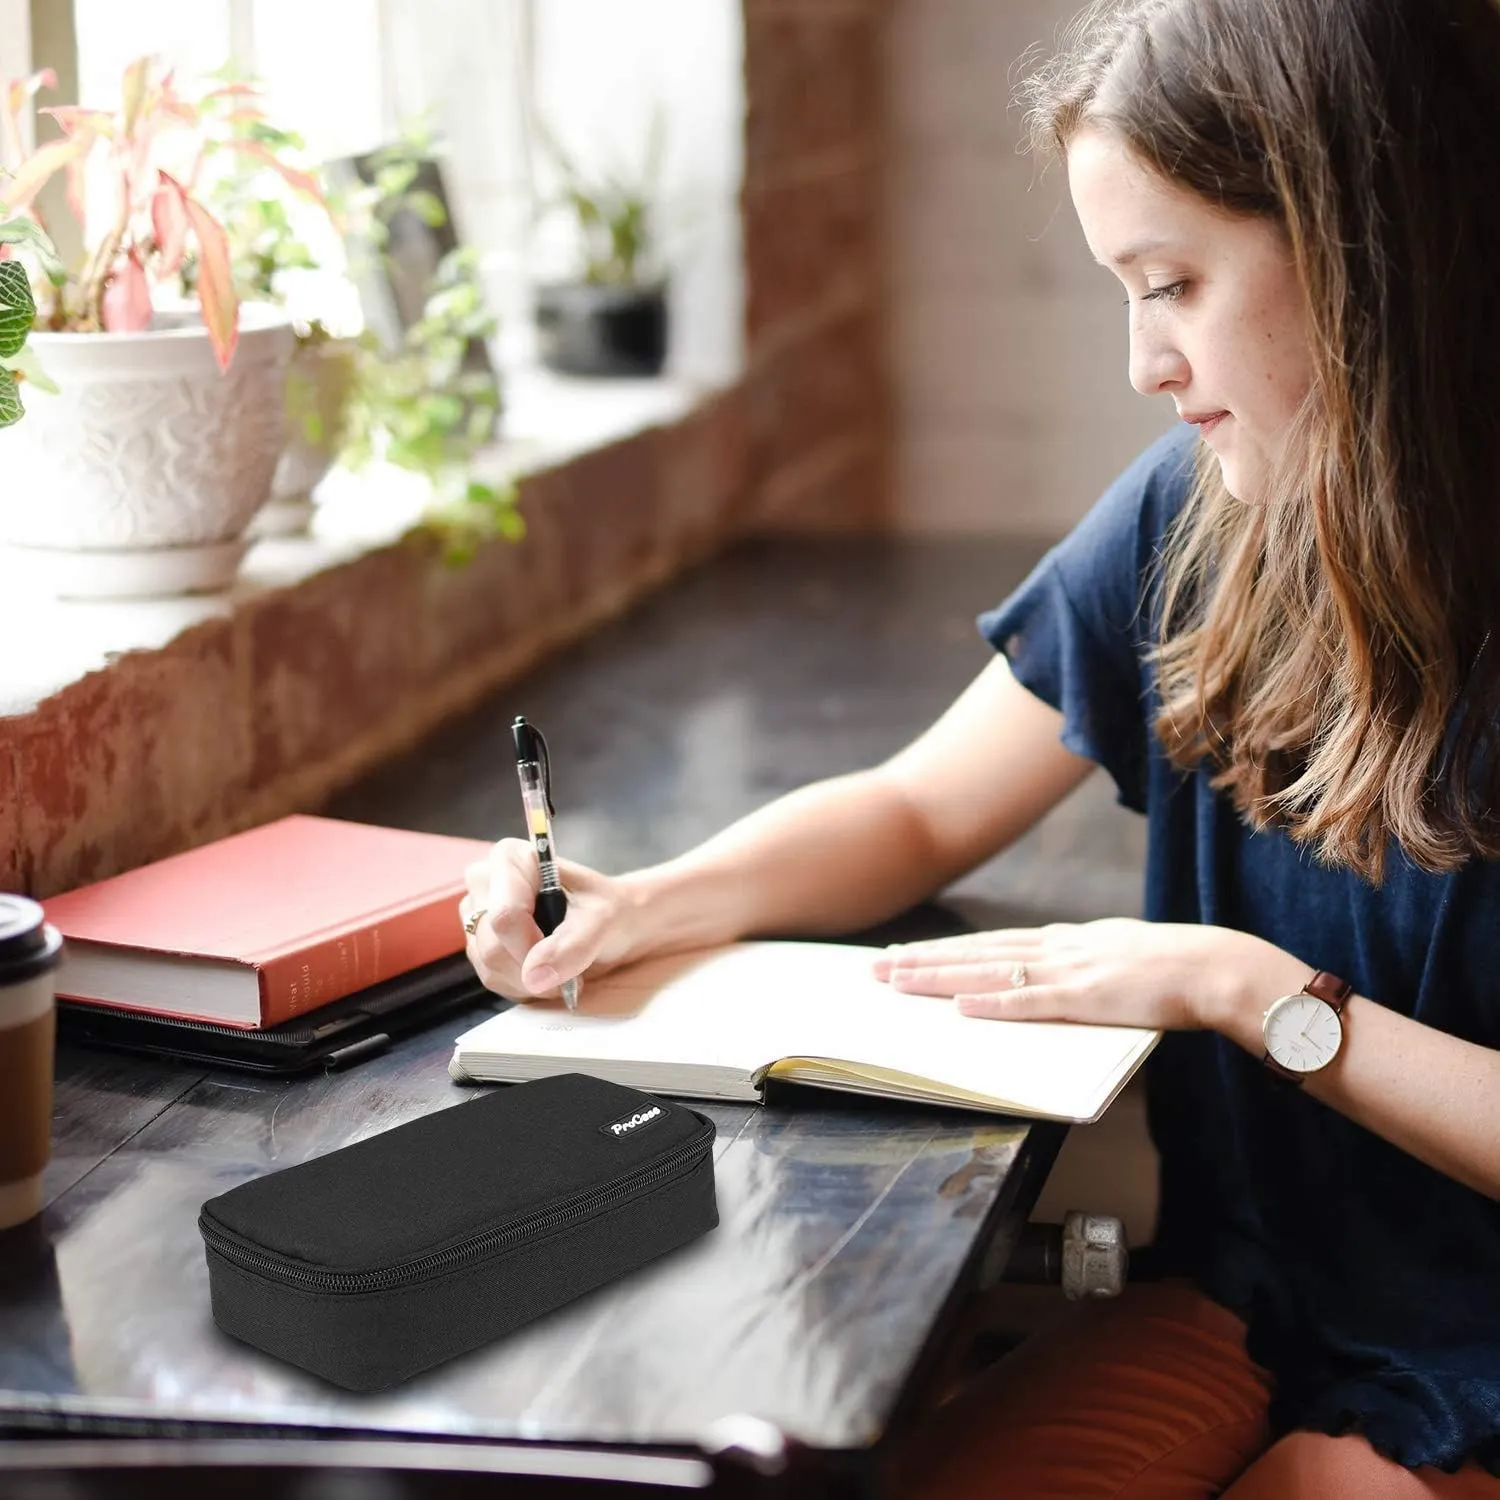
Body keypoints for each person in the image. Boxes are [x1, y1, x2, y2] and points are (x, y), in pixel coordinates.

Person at [460, 0, 1500, 1492]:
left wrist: (1249, 988)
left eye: (1176, 284)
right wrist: (644, 905)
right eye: (1123, 292)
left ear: (1360, 247)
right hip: (1244, 1299)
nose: (1145, 361)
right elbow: (915, 809)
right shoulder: (1190, 519)